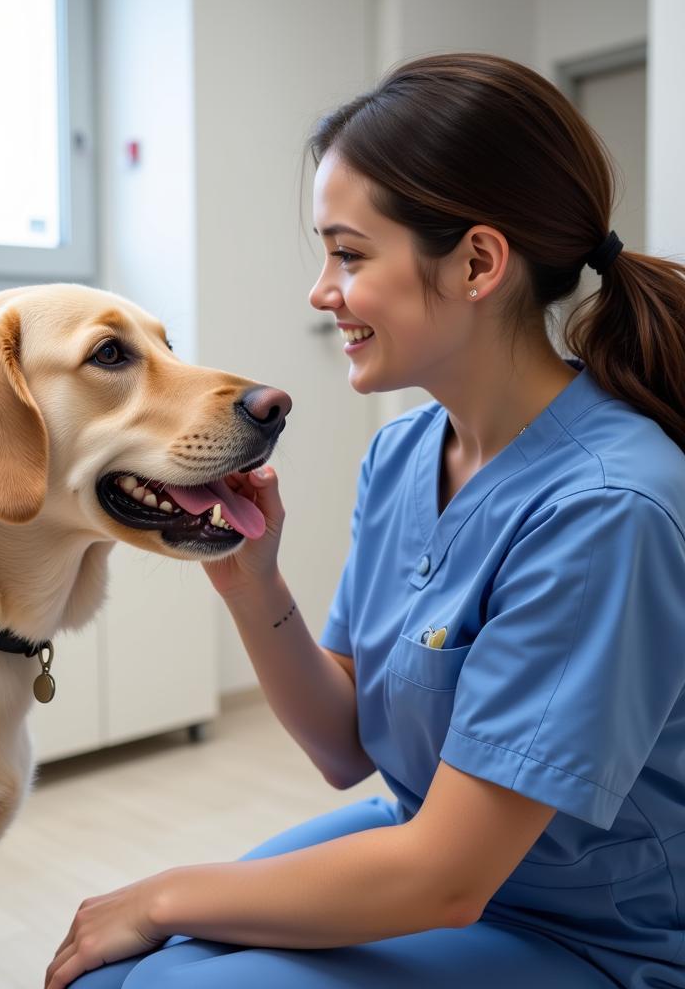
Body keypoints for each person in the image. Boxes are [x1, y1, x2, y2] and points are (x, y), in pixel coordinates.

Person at [44, 52, 685, 989]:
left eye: (348, 254)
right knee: (139, 961)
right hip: (430, 844)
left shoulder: (604, 511)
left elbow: (446, 880)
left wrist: (160, 892)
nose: (321, 290)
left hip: (585, 934)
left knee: (139, 967)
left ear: (476, 262)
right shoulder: (405, 452)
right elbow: (347, 747)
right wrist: (250, 583)